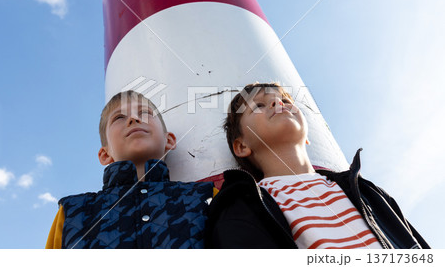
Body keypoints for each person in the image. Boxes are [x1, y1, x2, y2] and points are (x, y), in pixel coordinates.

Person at [205, 82, 430, 249]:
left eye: (285, 101)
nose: (277, 103)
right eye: (259, 105)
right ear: (241, 146)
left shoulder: (368, 191)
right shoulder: (242, 205)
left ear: (307, 136)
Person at [46, 90, 214, 249]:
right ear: (105, 154)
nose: (133, 118)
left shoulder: (207, 197)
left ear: (169, 140)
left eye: (145, 113)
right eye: (119, 117)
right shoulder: (72, 213)